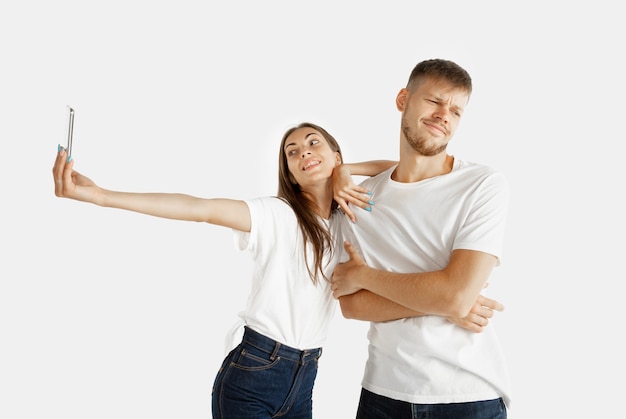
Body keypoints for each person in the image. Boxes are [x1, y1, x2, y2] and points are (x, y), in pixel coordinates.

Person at [52, 122, 396, 418]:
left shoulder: (344, 219)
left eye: (313, 143)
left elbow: (401, 172)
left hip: (305, 376)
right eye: (292, 152)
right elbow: (200, 208)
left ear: (335, 156)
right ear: (290, 174)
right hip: (256, 371)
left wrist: (345, 170)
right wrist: (102, 195)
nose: (303, 152)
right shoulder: (277, 215)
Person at [330, 59, 512, 418]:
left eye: (456, 110)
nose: (445, 114)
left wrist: (366, 278)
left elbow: (456, 296)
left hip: (466, 396)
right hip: (382, 394)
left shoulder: (482, 185)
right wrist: (445, 301)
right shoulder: (357, 197)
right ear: (403, 99)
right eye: (434, 101)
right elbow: (352, 306)